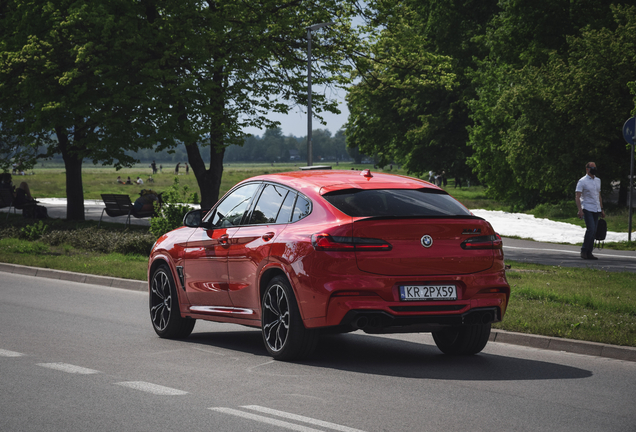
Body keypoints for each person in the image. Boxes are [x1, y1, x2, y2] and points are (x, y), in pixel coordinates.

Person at [575, 162, 605, 260]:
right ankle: (584, 250)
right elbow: (578, 196)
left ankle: (589, 252)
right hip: (587, 208)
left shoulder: (598, 180)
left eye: (595, 167)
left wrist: (601, 209)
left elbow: (598, 195)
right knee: (591, 229)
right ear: (587, 169)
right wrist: (580, 210)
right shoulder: (582, 181)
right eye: (592, 167)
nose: (594, 169)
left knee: (594, 231)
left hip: (596, 208)